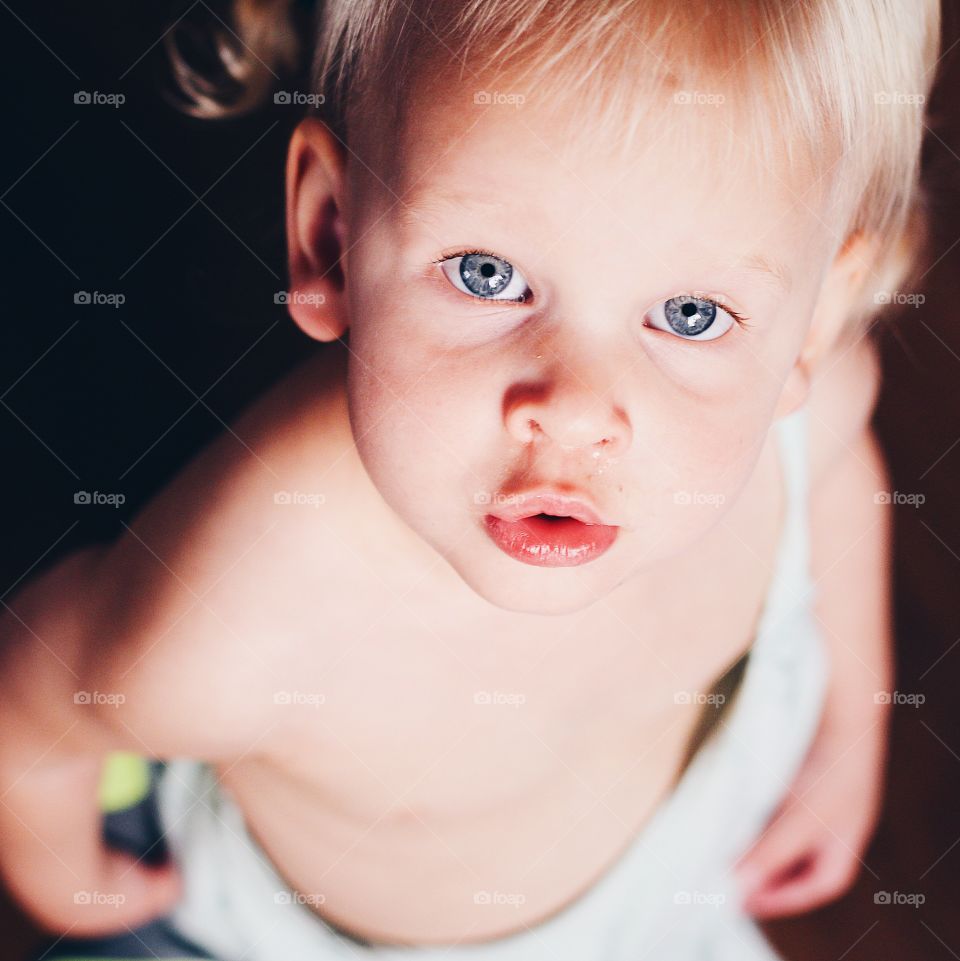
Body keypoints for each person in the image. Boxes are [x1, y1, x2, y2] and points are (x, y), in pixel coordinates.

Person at [0, 1, 941, 958]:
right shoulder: (243, 608)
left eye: (693, 314)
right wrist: (62, 869)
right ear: (331, 233)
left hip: (675, 878)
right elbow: (31, 702)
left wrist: (851, 731)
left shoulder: (806, 415)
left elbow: (834, 491)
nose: (575, 410)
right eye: (489, 273)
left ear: (814, 322)